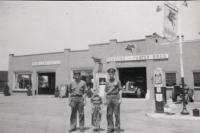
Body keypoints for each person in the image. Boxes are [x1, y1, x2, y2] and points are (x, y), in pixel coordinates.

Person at [104, 68, 122, 133]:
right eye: (110, 73)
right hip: (109, 98)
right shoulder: (107, 82)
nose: (111, 74)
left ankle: (117, 127)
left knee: (117, 113)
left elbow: (120, 90)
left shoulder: (118, 81)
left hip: (116, 97)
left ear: (114, 74)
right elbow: (105, 91)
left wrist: (120, 99)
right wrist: (105, 100)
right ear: (109, 74)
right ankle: (110, 127)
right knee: (109, 114)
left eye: (112, 73)